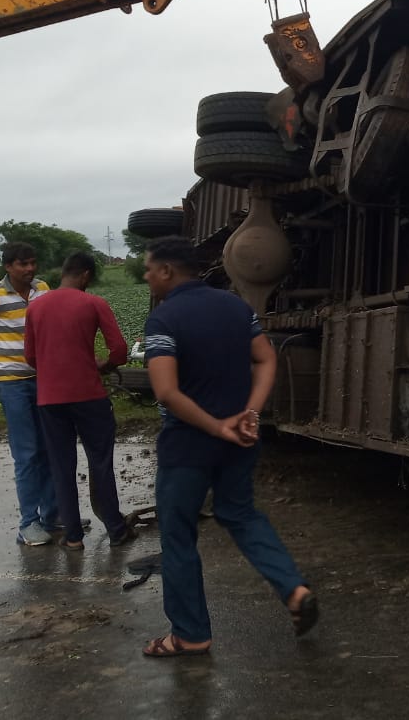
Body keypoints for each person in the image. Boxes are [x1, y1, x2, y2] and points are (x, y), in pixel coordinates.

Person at [140, 236, 317, 658]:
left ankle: (189, 634)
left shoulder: (163, 320)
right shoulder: (236, 306)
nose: (146, 277)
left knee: (178, 535)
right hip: (242, 437)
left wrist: (216, 427)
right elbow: (266, 358)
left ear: (167, 271)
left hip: (189, 444)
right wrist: (250, 414)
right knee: (240, 513)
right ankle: (293, 590)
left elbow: (165, 392)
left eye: (149, 269)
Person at [24, 251, 138, 550]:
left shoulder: (35, 307)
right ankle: (116, 529)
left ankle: (73, 537)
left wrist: (53, 372)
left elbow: (30, 357)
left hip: (50, 399)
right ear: (85, 275)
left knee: (61, 466)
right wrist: (102, 366)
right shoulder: (93, 303)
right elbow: (119, 350)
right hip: (89, 396)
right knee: (100, 462)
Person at [0, 242, 59, 545]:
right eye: (22, 264)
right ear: (8, 266)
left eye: (32, 263)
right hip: (12, 383)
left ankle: (52, 515)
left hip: (44, 380)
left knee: (48, 449)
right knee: (27, 453)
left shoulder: (42, 288)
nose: (29, 269)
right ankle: (28, 523)